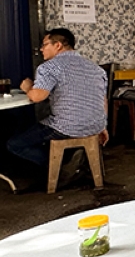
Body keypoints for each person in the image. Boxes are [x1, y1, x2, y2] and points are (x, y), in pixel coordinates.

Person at [7, 28, 108, 190]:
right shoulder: (95, 68)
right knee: (44, 132)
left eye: (44, 45)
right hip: (95, 126)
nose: (41, 49)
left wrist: (27, 87)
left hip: (65, 127)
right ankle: (68, 162)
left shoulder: (49, 67)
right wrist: (103, 126)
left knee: (15, 144)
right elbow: (102, 99)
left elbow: (37, 96)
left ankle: (60, 165)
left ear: (58, 45)